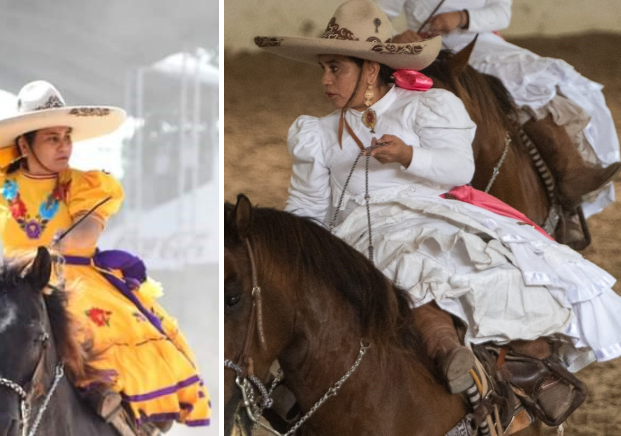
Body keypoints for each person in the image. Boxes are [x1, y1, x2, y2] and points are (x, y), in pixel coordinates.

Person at [253, 0, 621, 410]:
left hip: (431, 213)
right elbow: (308, 206)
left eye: (335, 68)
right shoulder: (316, 134)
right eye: (323, 68)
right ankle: (435, 356)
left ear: (370, 69)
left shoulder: (425, 106)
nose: (325, 80)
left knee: (489, 268)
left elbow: (460, 168)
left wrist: (410, 155)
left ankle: (521, 363)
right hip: (356, 230)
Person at [0, 81, 210, 436]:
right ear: (24, 144)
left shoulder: (84, 185)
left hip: (76, 280)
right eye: (52, 138)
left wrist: (63, 242)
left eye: (66, 137)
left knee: (99, 330)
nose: (64, 146)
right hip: (14, 286)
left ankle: (123, 412)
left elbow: (89, 230)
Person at [380, 0, 621, 218]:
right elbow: (379, 14)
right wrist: (397, 37)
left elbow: (501, 12)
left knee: (544, 77)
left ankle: (570, 168)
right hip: (427, 48)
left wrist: (463, 18)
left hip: (482, 42)